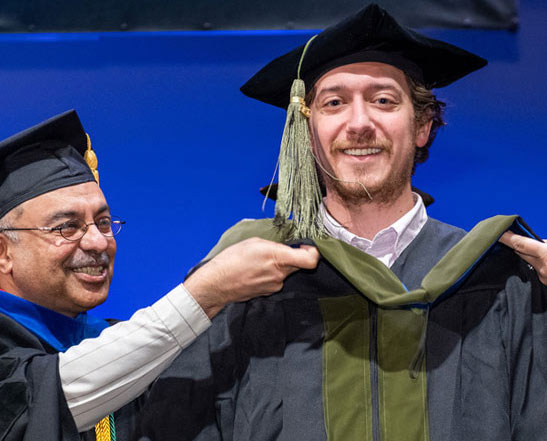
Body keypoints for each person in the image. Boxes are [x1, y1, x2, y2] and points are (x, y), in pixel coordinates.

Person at [123, 4, 547, 440]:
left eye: (383, 100)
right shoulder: (245, 276)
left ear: (422, 126)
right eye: (334, 103)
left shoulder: (497, 280)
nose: (359, 123)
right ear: (307, 132)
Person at [0, 109, 320, 441]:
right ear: (0, 251)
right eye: (66, 227)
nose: (98, 242)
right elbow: (41, 399)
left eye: (103, 222)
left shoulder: (105, 340)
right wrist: (203, 294)